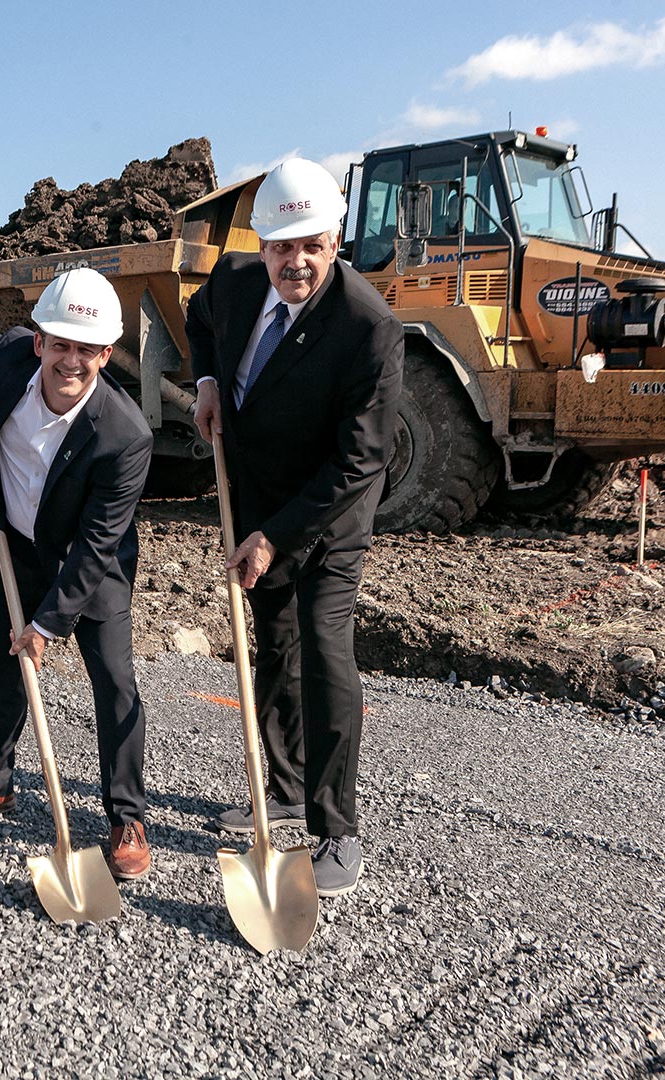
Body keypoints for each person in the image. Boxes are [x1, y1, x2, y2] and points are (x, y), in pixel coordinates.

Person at [187, 158, 404, 897]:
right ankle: (281, 786)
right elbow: (199, 318)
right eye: (282, 245)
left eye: (311, 243)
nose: (296, 261)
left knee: (322, 644)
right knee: (272, 638)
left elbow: (360, 459)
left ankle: (336, 828)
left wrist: (279, 536)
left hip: (330, 509)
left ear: (335, 239)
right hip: (257, 491)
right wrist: (209, 383)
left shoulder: (368, 327)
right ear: (263, 244)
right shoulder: (238, 283)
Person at [0, 268, 155, 880]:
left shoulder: (124, 435)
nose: (71, 360)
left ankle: (126, 815)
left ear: (106, 355)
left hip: (93, 565)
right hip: (15, 545)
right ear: (39, 343)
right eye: (60, 344)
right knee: (4, 664)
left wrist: (49, 623)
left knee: (113, 679)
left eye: (86, 349)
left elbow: (96, 543)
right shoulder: (5, 358)